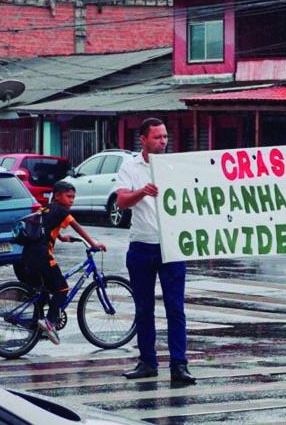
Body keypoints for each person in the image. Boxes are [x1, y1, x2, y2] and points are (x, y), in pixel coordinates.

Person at [115, 117, 195, 384]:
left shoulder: (175, 165)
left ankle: (179, 364)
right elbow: (122, 201)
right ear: (144, 140)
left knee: (175, 308)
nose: (163, 141)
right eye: (157, 137)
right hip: (141, 244)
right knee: (143, 308)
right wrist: (142, 192)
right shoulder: (130, 166)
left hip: (171, 245)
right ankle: (147, 361)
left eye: (165, 136)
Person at [14, 180, 107, 345]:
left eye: (73, 197)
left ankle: (36, 327)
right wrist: (93, 243)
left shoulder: (46, 209)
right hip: (42, 256)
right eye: (68, 196)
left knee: (44, 290)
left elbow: (45, 228)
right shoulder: (62, 210)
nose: (72, 200)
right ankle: (49, 322)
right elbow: (76, 226)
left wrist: (62, 238)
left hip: (27, 256)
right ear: (57, 196)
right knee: (62, 288)